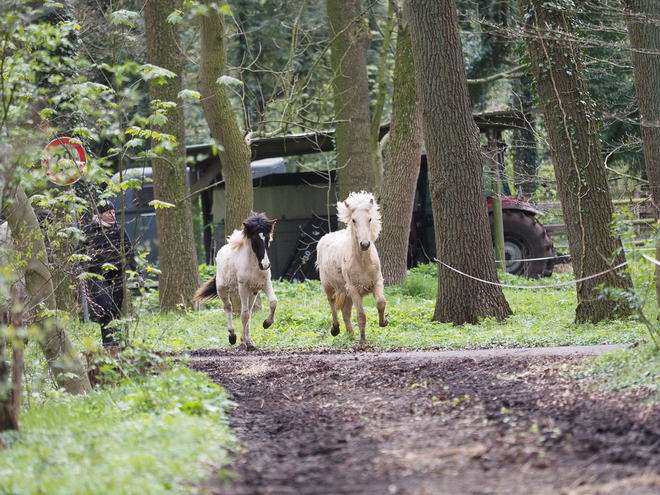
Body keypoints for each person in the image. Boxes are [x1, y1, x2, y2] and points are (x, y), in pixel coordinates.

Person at [81, 200, 144, 348]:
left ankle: (116, 342)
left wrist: (137, 273)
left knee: (116, 308)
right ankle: (107, 343)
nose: (112, 215)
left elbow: (129, 251)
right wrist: (79, 268)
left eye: (114, 212)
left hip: (117, 274)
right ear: (100, 214)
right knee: (104, 305)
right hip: (97, 275)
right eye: (109, 213)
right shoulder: (88, 230)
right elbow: (80, 252)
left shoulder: (118, 230)